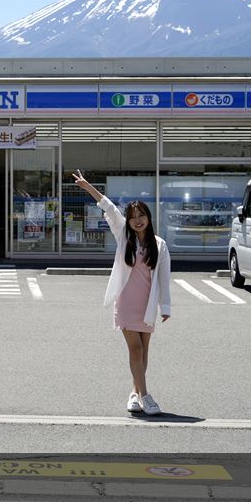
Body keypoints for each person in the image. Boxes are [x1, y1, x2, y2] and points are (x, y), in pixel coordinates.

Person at [71, 169, 171, 416]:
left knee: (144, 352)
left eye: (142, 216)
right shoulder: (124, 236)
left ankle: (134, 393)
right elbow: (109, 208)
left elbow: (164, 278)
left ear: (149, 218)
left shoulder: (159, 244)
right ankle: (146, 396)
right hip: (126, 302)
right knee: (135, 350)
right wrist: (88, 187)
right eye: (133, 216)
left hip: (146, 305)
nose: (138, 220)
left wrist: (165, 307)